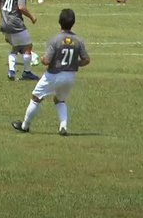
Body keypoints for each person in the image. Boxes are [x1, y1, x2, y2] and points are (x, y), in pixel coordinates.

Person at [12, 8, 90, 136]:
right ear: (73, 23)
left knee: (36, 98)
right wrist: (74, 64)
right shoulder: (78, 41)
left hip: (53, 75)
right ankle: (63, 126)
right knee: (60, 100)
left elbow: (46, 61)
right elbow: (86, 60)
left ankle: (25, 126)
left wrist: (42, 58)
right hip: (70, 77)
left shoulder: (55, 40)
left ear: (59, 22)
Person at [0, 0, 40, 81]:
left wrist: (1, 10)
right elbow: (21, 7)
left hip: (4, 24)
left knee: (16, 47)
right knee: (28, 46)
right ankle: (27, 72)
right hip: (15, 24)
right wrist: (32, 17)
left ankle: (11, 71)